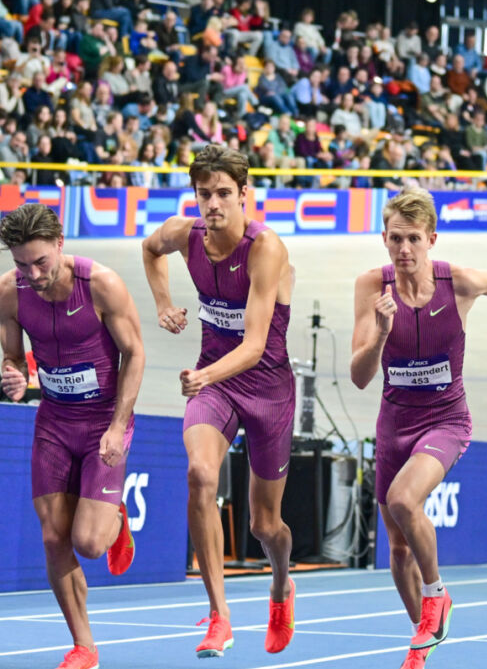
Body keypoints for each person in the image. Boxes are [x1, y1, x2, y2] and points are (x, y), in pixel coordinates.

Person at [349, 190, 487, 668]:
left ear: (431, 239)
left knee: (406, 500)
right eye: (394, 239)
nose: (404, 249)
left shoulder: (460, 282)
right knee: (397, 547)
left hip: (446, 420)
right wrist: (382, 333)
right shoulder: (371, 286)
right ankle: (421, 637)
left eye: (413, 239)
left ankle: (437, 596)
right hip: (393, 424)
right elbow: (359, 375)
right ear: (383, 239)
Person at [142, 144, 297, 657]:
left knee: (263, 525)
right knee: (200, 475)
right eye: (205, 193)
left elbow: (254, 346)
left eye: (224, 194)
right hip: (216, 385)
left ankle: (280, 584)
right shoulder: (184, 235)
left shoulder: (265, 248)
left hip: (268, 387)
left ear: (244, 194)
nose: (214, 204)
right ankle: (219, 614)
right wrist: (164, 303)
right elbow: (149, 248)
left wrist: (202, 373)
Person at [0, 203, 146, 669]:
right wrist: (15, 376)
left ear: (60, 244)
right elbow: (13, 360)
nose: (33, 273)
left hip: (104, 421)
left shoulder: (101, 284)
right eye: (22, 264)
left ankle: (114, 521)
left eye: (40, 261)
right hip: (55, 422)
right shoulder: (8, 293)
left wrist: (119, 426)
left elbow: (135, 354)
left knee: (90, 543)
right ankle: (84, 646)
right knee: (53, 536)